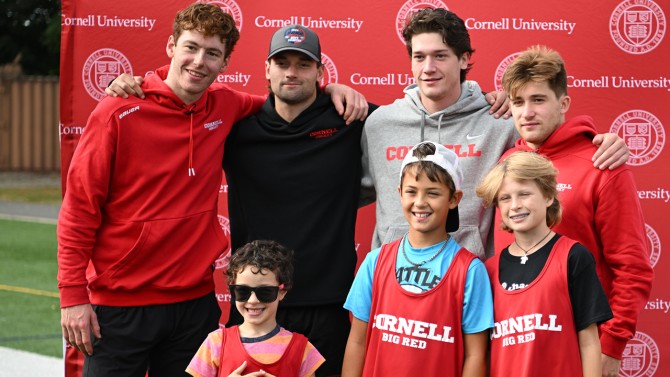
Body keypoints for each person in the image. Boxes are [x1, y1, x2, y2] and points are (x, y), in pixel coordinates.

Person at [57, 4, 263, 376]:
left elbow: (286, 105)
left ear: (225, 63)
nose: (199, 61)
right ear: (171, 46)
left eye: (212, 53)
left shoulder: (226, 104)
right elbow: (78, 209)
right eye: (191, 47)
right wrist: (72, 296)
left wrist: (332, 90)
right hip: (118, 309)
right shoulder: (117, 110)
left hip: (192, 307)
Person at [360, 7, 629, 260]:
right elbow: (340, 190)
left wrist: (596, 141)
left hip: (473, 283)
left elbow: (553, 146)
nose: (428, 67)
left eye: (440, 56)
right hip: (394, 280)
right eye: (419, 57)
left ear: (464, 59)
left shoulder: (500, 121)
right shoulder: (379, 124)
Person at [222, 25, 374, 377]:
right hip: (254, 301)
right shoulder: (238, 127)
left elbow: (418, 116)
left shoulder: (349, 118)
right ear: (267, 69)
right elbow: (182, 104)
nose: (292, 72)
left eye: (303, 64)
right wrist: (130, 88)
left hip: (326, 306)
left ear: (321, 72)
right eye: (282, 62)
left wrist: (483, 98)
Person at [494, 45, 653, 377]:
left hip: (579, 348)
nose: (527, 113)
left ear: (563, 103)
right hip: (512, 346)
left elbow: (632, 268)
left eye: (538, 100)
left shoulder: (602, 164)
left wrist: (611, 346)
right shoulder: (506, 163)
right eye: (518, 102)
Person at [342, 141, 493, 376]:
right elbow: (357, 342)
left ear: (454, 199)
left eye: (433, 193)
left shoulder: (470, 271)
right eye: (412, 191)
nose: (420, 202)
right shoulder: (375, 262)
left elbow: (475, 355)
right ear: (400, 194)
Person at [476, 151, 613, 377]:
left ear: (548, 196)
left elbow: (589, 342)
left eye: (524, 194)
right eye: (505, 198)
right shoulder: (488, 270)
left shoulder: (573, 257)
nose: (515, 205)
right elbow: (484, 351)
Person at [186, 240, 324, 377]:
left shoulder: (302, 349)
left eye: (265, 292)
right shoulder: (215, 342)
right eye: (242, 291)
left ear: (282, 292)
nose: (253, 301)